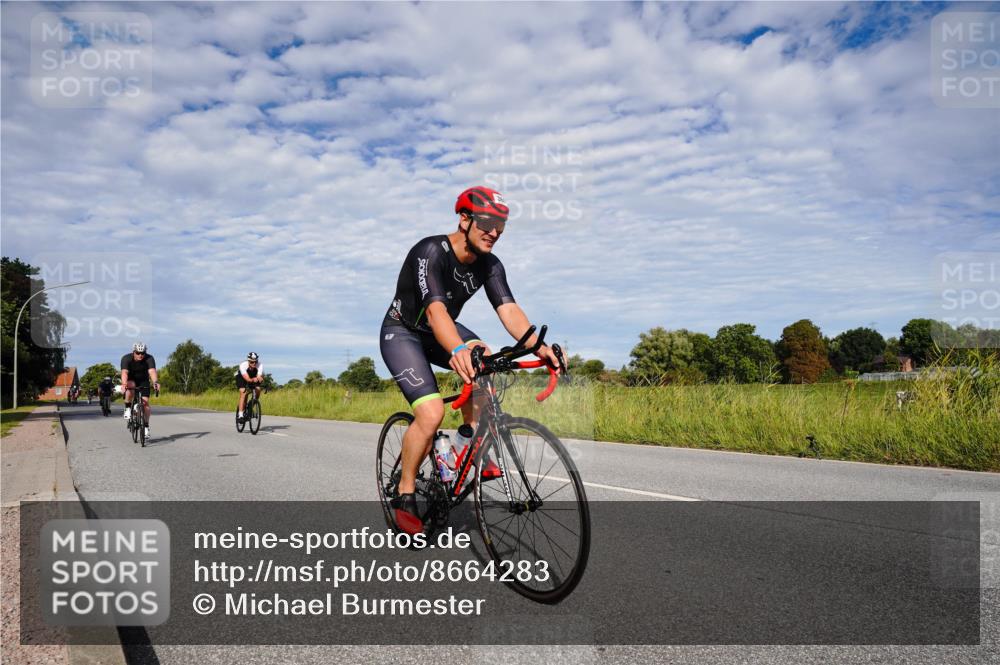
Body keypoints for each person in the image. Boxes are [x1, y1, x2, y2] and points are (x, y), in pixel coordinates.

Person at [379, 186, 561, 534]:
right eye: (488, 223)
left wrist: (540, 347)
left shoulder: (490, 264)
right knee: (431, 414)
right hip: (403, 332)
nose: (495, 232)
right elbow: (435, 310)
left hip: (441, 329)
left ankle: (466, 439)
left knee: (487, 357)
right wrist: (458, 351)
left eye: (501, 226)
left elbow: (508, 310)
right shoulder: (430, 251)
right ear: (464, 219)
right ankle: (404, 492)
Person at [120, 342, 159, 439]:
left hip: (143, 381)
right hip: (131, 380)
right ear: (133, 352)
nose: (140, 355)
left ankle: (146, 426)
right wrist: (124, 384)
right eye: (138, 353)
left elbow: (152, 371)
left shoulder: (149, 358)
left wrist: (155, 382)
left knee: (145, 404)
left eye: (142, 353)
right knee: (130, 386)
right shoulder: (126, 358)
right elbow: (124, 372)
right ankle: (128, 407)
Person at [235, 352, 264, 422]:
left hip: (252, 376)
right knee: (243, 392)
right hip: (241, 377)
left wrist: (260, 379)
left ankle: (251, 405)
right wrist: (253, 379)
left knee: (258, 389)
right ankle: (241, 415)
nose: (254, 363)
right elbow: (247, 379)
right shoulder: (243, 365)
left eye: (255, 362)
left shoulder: (260, 365)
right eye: (251, 362)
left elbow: (259, 376)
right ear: (248, 361)